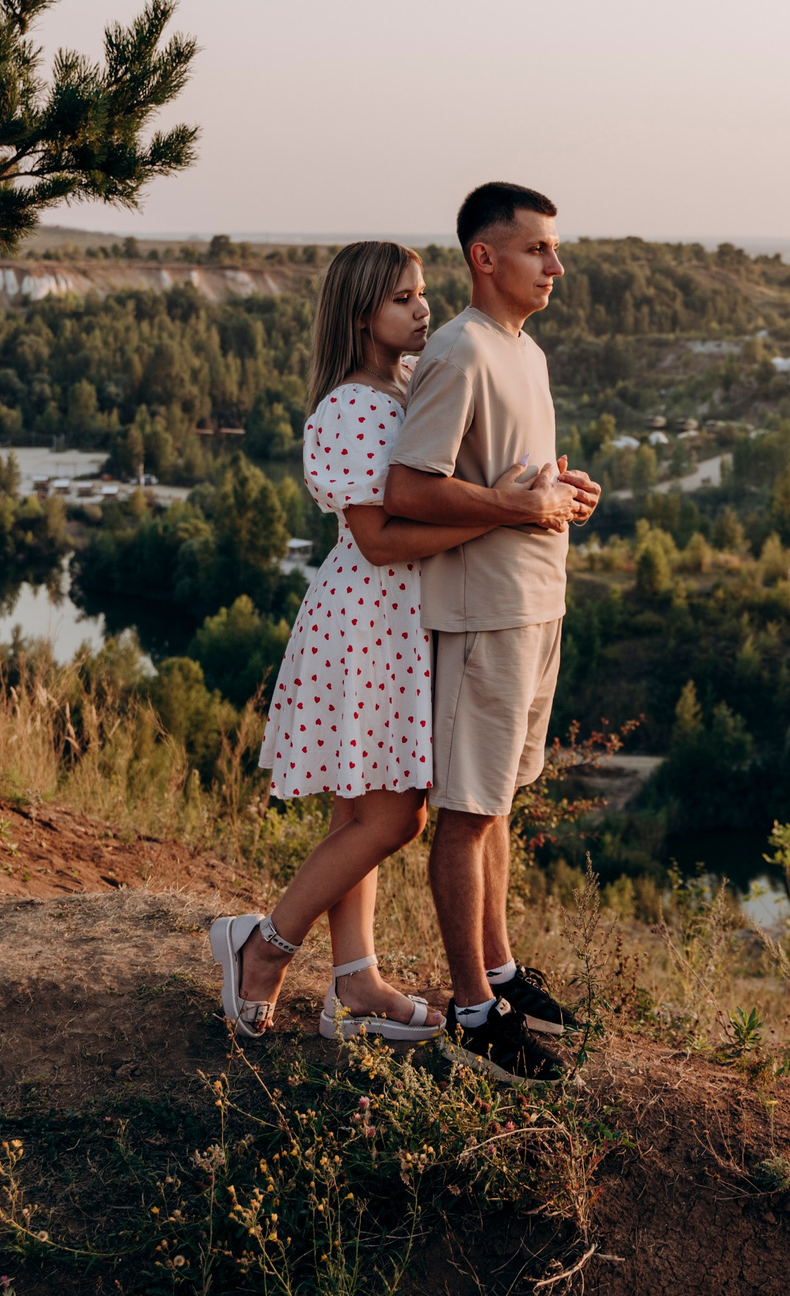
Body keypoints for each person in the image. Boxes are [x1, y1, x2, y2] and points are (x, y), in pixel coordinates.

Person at [210, 241, 568, 1042]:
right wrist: (508, 510)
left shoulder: (401, 387)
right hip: (369, 620)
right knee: (395, 819)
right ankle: (262, 946)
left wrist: (515, 495)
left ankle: (356, 982)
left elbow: (438, 498)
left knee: (356, 813)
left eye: (422, 294)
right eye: (402, 298)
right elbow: (376, 538)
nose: (422, 308)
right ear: (360, 313)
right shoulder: (351, 404)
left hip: (397, 619)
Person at [386, 182, 599, 1083]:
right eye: (537, 249)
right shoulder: (460, 351)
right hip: (480, 613)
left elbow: (514, 487)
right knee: (467, 813)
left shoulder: (526, 353)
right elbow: (408, 488)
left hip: (534, 604)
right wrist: (517, 504)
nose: (556, 264)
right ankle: (472, 1011)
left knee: (499, 802)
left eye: (553, 249)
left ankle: (502, 973)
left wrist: (559, 492)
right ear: (485, 257)